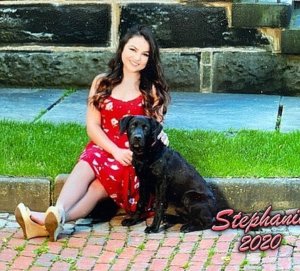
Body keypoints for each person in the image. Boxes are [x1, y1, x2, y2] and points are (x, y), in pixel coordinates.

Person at [14, 25, 170, 242]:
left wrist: (153, 141)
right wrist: (113, 150)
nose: (137, 58)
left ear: (150, 59)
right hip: (105, 147)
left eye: (145, 54)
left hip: (131, 158)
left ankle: (50, 218)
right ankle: (56, 214)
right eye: (132, 50)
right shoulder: (102, 83)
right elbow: (92, 127)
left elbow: (155, 131)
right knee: (89, 159)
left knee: (99, 185)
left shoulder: (151, 90)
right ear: (122, 48)